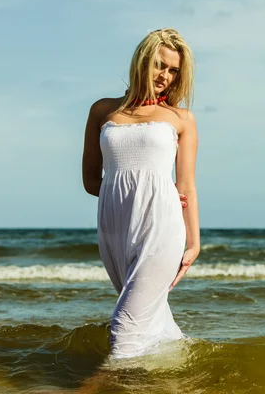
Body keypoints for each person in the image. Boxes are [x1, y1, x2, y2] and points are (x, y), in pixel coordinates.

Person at [81, 28, 200, 359]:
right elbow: (92, 180)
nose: (165, 75)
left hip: (162, 228)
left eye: (173, 70)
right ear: (142, 62)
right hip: (114, 229)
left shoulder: (181, 119)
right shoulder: (102, 111)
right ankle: (178, 375)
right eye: (159, 65)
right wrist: (133, 196)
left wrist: (194, 242)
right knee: (150, 324)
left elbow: (186, 185)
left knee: (125, 332)